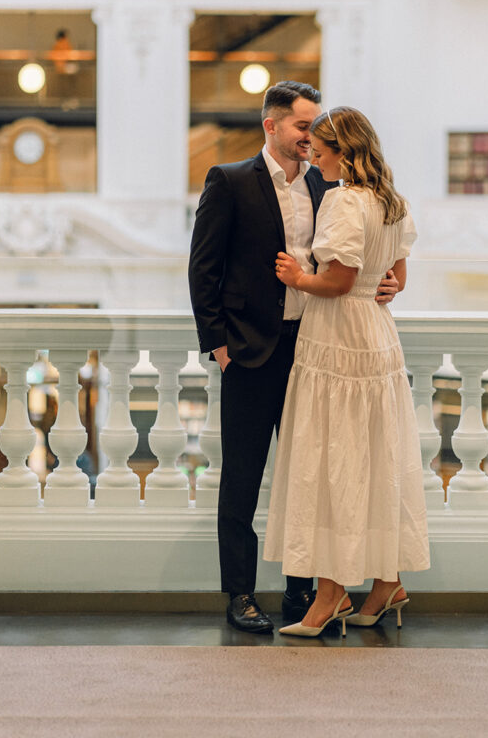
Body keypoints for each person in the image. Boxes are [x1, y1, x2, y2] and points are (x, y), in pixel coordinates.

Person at [188, 83, 399, 634]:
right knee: (242, 476)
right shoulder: (229, 181)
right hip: (252, 352)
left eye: (315, 129)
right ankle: (239, 593)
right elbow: (203, 268)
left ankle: (304, 594)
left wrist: (389, 281)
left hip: (320, 349)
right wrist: (218, 344)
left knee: (314, 474)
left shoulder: (329, 183)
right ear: (272, 126)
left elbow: (356, 261)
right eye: (303, 127)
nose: (311, 138)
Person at [263, 106, 430, 636]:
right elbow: (395, 274)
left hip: (335, 336)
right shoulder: (391, 201)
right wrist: (384, 286)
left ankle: (330, 594)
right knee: (373, 455)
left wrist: (297, 276)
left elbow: (337, 281)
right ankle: (386, 583)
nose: (313, 157)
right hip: (376, 335)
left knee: (333, 456)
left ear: (343, 152)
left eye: (320, 149)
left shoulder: (342, 201)